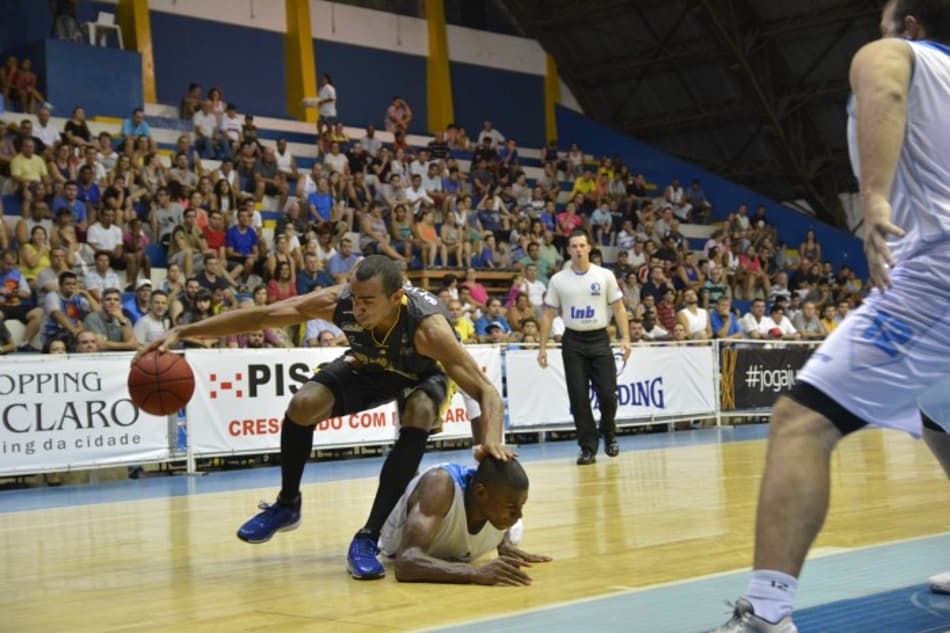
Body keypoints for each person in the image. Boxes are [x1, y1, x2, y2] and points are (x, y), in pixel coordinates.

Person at [712, 2, 950, 630]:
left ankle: (766, 614)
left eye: (886, 18)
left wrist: (872, 197)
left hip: (937, 274)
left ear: (912, 25)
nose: (877, 31)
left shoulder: (899, 52)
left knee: (800, 422)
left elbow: (883, 77)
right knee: (937, 411)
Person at [137, 255, 511, 580]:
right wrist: (185, 330)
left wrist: (492, 439)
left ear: (396, 299)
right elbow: (266, 315)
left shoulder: (428, 330)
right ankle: (287, 504)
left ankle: (368, 536)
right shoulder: (342, 302)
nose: (357, 309)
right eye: (355, 298)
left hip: (421, 375)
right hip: (369, 367)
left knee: (421, 410)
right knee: (303, 404)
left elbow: (486, 390)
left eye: (368, 302)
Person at [537, 229, 631, 465]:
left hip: (599, 339)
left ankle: (609, 431)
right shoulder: (558, 280)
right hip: (573, 342)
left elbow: (619, 309)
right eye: (574, 246)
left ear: (589, 247)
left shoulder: (605, 276)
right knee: (578, 397)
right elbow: (548, 315)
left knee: (608, 394)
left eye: (582, 245)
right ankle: (587, 447)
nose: (578, 250)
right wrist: (542, 347)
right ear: (568, 250)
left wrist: (626, 338)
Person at [379, 457, 551, 584]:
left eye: (522, 505)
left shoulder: (498, 505)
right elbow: (405, 563)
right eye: (512, 507)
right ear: (481, 493)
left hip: (453, 541)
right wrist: (474, 572)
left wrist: (503, 545)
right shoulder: (439, 486)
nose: (519, 514)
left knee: (515, 532)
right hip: (395, 545)